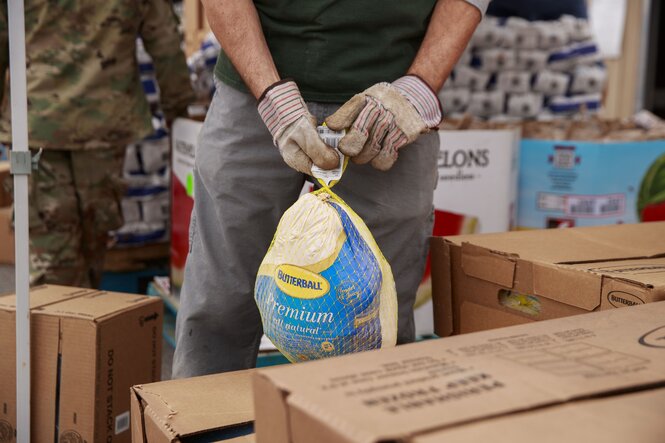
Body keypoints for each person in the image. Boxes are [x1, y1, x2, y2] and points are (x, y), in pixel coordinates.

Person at [173, 0, 489, 377]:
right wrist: (269, 93)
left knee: (376, 315)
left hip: (391, 95)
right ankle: (200, 426)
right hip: (254, 85)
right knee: (219, 297)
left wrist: (418, 88)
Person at [0, 0, 194, 288]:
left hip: (38, 124)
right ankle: (82, 325)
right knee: (94, 248)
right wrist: (177, 111)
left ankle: (64, 326)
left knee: (50, 260)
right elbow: (164, 39)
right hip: (105, 123)